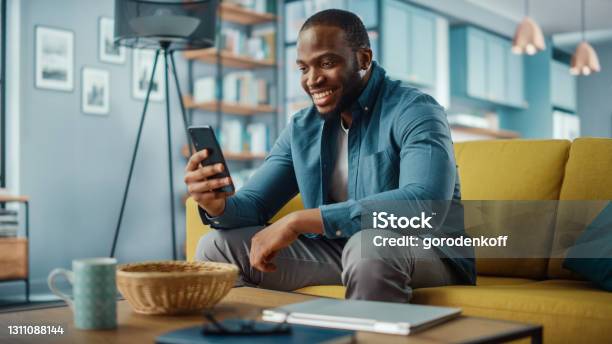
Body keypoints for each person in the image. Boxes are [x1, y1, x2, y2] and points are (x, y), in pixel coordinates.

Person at [184, 9, 475, 302]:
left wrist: (302, 220)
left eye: (326, 63)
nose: (313, 80)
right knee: (216, 247)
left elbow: (427, 204)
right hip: (342, 250)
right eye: (303, 68)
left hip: (428, 252)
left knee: (369, 247)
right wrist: (218, 205)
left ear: (363, 59)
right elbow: (256, 203)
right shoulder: (302, 127)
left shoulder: (415, 110)